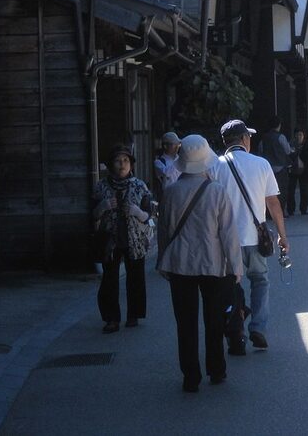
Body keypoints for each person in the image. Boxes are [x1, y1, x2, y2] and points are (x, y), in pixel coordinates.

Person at [156, 135, 243, 392]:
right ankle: (216, 370)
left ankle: (190, 376)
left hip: (180, 264)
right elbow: (228, 232)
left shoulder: (170, 192)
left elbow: (164, 231)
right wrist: (235, 266)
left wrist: (162, 261)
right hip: (213, 264)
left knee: (186, 322)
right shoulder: (216, 191)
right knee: (214, 320)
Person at [211, 119, 290, 354]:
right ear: (244, 139)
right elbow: (273, 203)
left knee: (231, 286)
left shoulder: (215, 166)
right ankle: (259, 328)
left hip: (225, 241)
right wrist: (282, 236)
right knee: (260, 280)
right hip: (255, 237)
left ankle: (236, 333)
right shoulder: (261, 164)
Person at [92, 144, 154, 334]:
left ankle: (133, 315)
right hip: (110, 239)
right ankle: (111, 318)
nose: (122, 164)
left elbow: (149, 215)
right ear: (111, 164)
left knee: (136, 278)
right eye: (118, 161)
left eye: (126, 160)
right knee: (109, 279)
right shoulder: (101, 186)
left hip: (134, 238)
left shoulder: (139, 185)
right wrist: (103, 207)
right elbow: (92, 214)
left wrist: (137, 212)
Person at [258, 117, 293, 216]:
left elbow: (260, 150)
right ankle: (281, 211)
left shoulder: (264, 138)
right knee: (282, 190)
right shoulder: (281, 137)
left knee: (268, 191)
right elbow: (287, 151)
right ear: (279, 125)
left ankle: (269, 213)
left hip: (268, 168)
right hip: (280, 167)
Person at [153, 132, 181, 201]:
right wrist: (179, 160)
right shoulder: (159, 162)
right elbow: (167, 173)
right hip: (168, 198)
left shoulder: (179, 159)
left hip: (181, 195)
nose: (177, 147)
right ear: (165, 146)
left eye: (178, 144)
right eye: (174, 144)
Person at [286, 127, 306, 215]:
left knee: (304, 190)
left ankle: (304, 209)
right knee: (291, 190)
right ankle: (291, 209)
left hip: (303, 170)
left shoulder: (306, 144)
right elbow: (288, 156)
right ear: (294, 135)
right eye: (297, 135)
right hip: (293, 170)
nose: (299, 137)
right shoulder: (290, 144)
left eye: (301, 135)